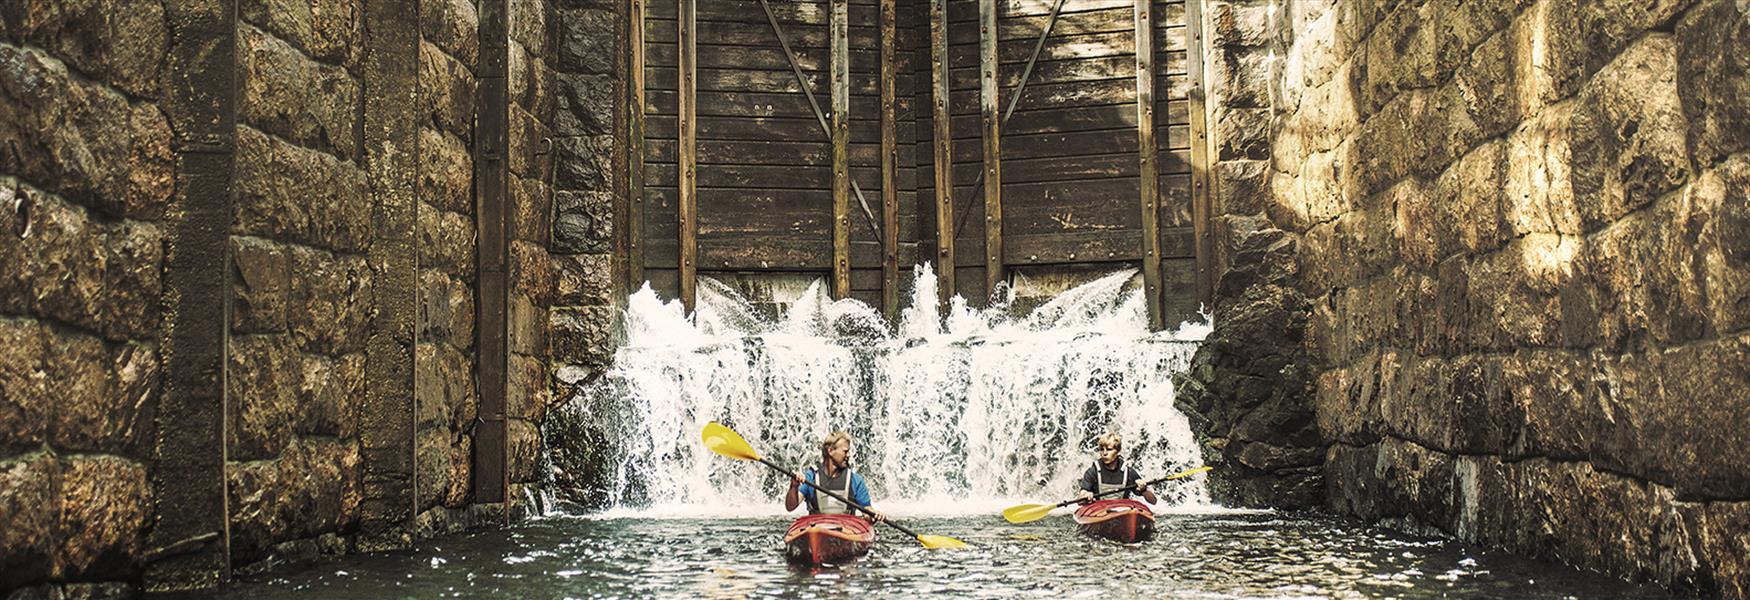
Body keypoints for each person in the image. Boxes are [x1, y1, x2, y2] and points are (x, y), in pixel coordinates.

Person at [785, 431, 887, 522]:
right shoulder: (811, 476)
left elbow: (867, 511)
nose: (848, 455)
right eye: (845, 451)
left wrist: (873, 514)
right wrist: (794, 487)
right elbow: (790, 507)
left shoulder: (855, 480)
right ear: (830, 451)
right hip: (817, 528)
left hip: (846, 529)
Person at [1075, 432, 1158, 504]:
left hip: (1122, 511)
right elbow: (1080, 500)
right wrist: (1085, 496)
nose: (1104, 453)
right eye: (1101, 449)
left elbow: (1153, 501)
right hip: (1099, 512)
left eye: (1109, 449)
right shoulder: (1093, 472)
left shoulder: (1128, 472)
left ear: (1118, 451)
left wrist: (1144, 489)